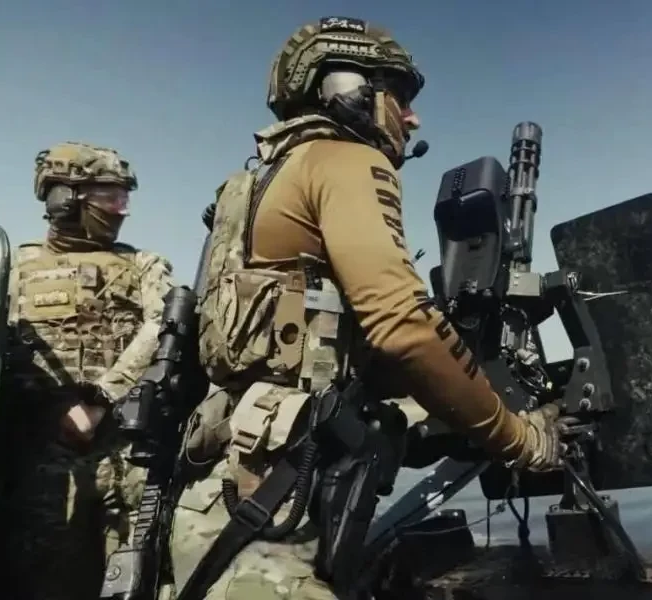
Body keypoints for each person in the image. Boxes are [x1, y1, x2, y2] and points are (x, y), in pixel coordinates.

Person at [167, 17, 565, 600]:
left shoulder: (247, 186)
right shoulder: (345, 159)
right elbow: (403, 327)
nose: (412, 118)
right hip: (280, 501)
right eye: (400, 96)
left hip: (222, 492)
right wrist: (520, 439)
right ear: (347, 90)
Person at [0, 142, 176, 600]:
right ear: (64, 199)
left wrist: (101, 398)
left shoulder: (144, 266)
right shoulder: (13, 268)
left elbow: (162, 329)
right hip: (42, 464)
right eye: (110, 196)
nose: (122, 210)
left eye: (123, 197)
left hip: (127, 457)